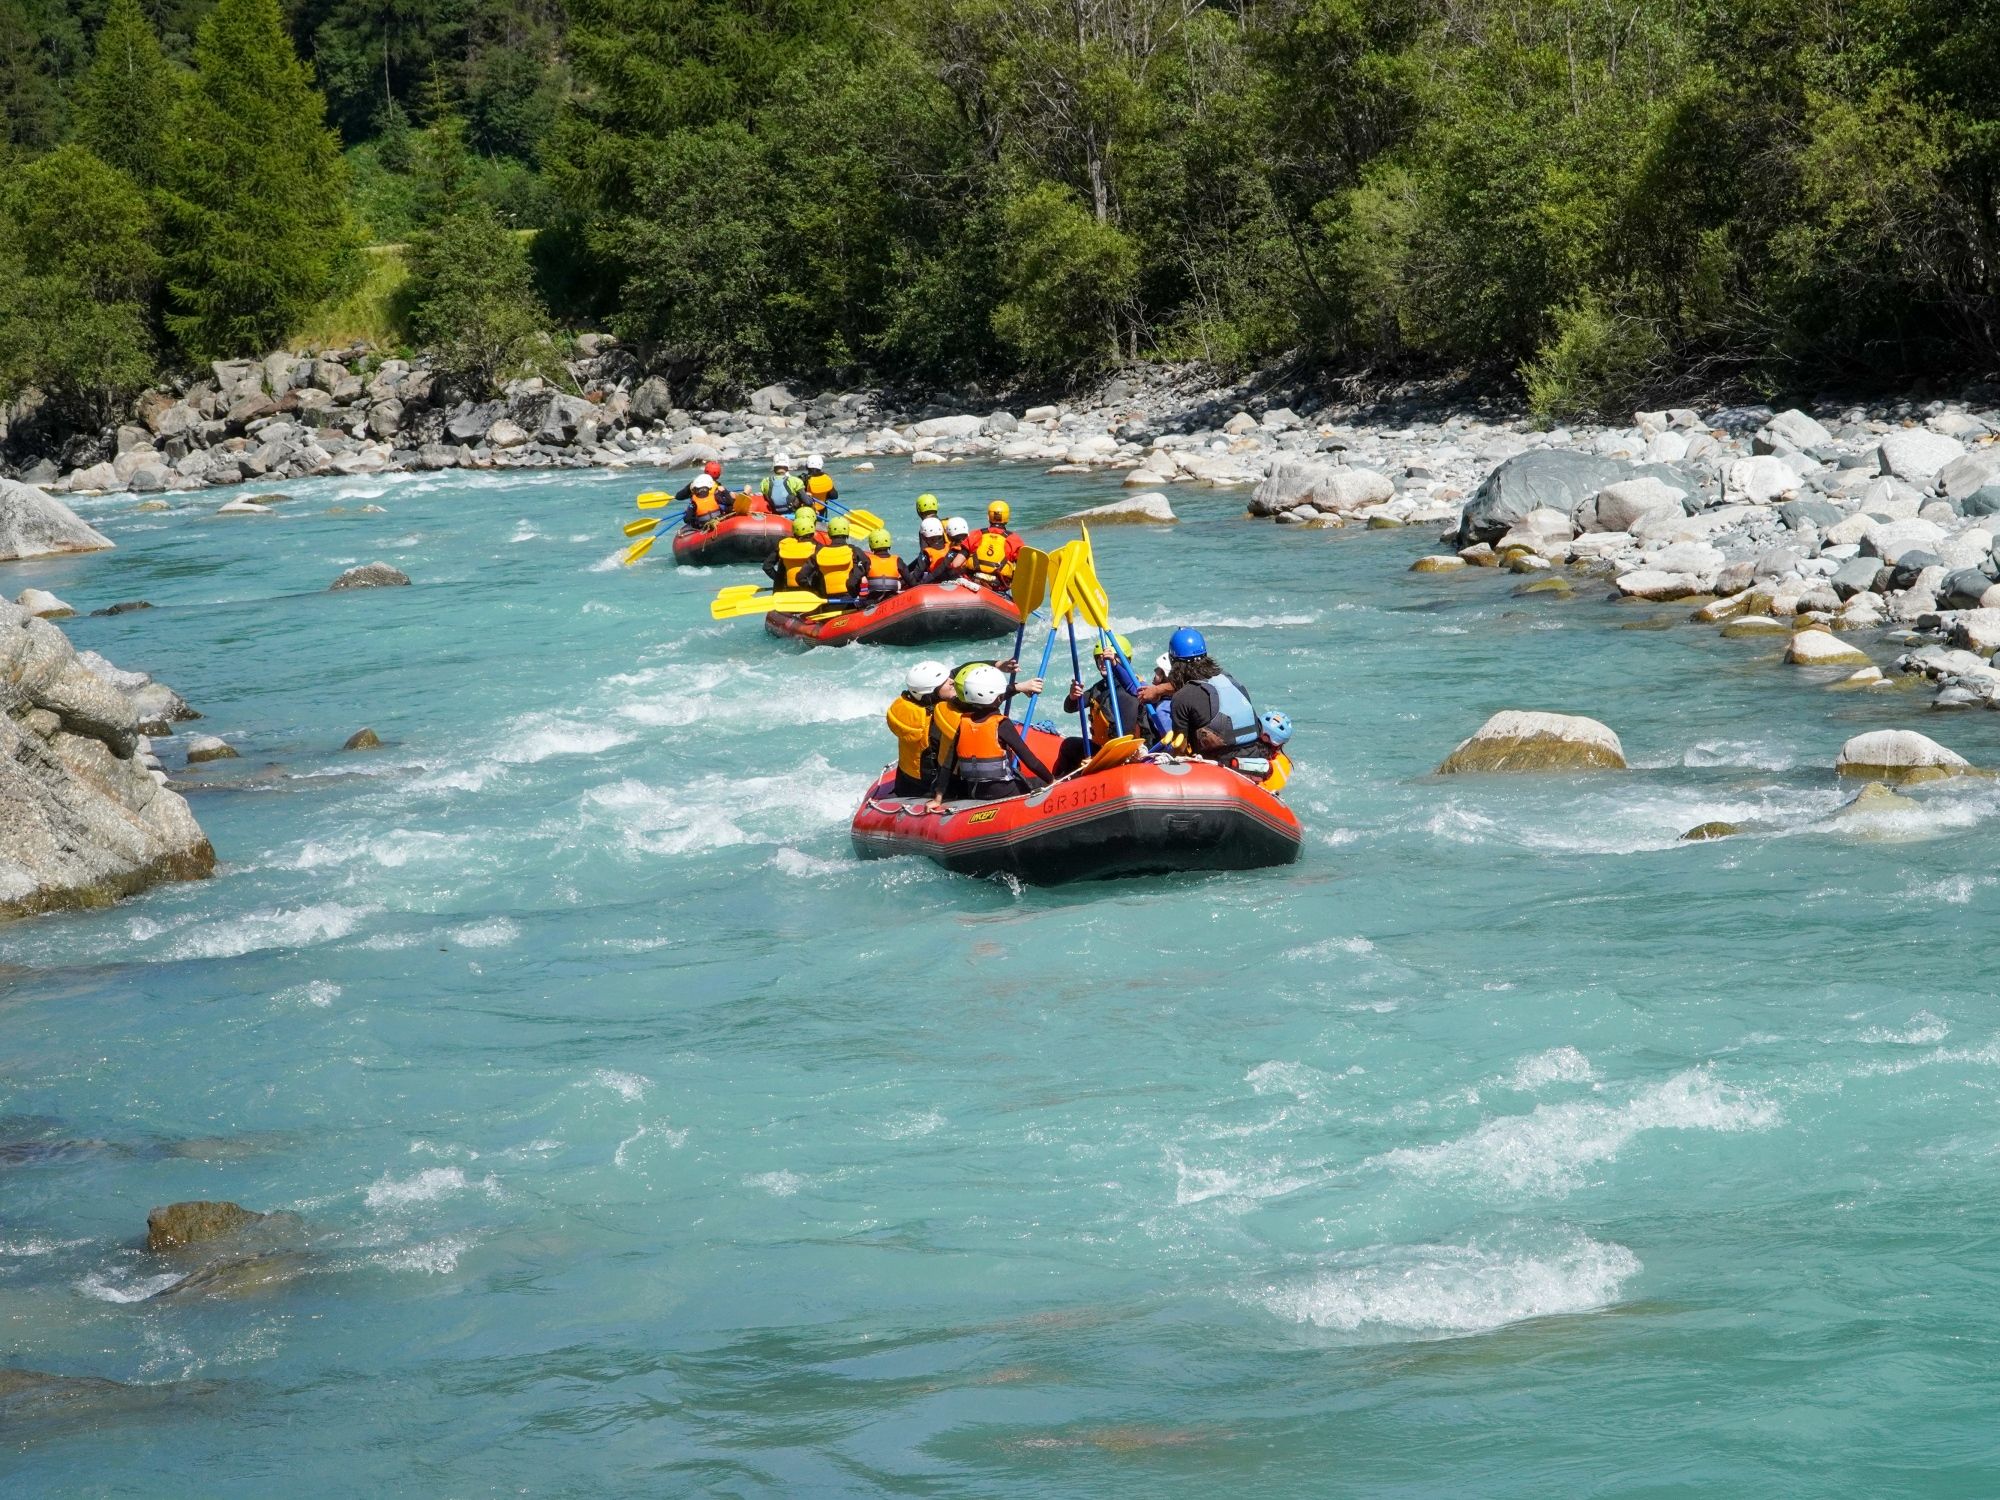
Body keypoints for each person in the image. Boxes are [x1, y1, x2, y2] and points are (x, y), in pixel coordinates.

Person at [930, 664, 1053, 805]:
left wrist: (938, 798)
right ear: (1000, 697)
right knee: (1040, 782)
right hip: (1004, 791)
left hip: (974, 792)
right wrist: (1052, 780)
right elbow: (1031, 761)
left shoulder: (963, 723)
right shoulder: (1001, 724)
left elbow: (948, 765)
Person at [1152, 627, 1263, 763]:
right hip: (1257, 756)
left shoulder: (1182, 697)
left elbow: (1179, 750)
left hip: (1222, 764)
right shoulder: (1230, 680)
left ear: (1173, 662)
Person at [1053, 634, 1147, 775]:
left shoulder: (1130, 692)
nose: (1102, 662)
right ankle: (1055, 784)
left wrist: (1097, 762)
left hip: (1125, 755)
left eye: (1107, 658)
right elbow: (1070, 708)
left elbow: (1126, 739)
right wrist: (1073, 697)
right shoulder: (1100, 688)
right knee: (1069, 745)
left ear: (1124, 660)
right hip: (1103, 748)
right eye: (1099, 659)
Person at [887, 660, 950, 796]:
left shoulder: (907, 707)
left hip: (905, 783)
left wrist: (996, 664)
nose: (952, 682)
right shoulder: (940, 719)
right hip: (931, 788)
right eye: (946, 681)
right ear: (931, 692)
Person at [799, 515, 863, 605]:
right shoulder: (855, 551)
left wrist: (814, 591)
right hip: (850, 601)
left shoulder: (819, 553)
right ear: (847, 533)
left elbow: (800, 577)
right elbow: (867, 566)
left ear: (829, 534)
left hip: (826, 601)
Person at [965, 500, 1022, 592]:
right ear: (1007, 517)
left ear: (988, 517)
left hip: (973, 581)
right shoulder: (1014, 539)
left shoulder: (976, 534)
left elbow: (957, 563)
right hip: (998, 586)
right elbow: (1022, 569)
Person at [765, 509, 820, 589]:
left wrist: (780, 580)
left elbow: (767, 566)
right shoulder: (819, 547)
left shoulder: (784, 545)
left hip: (785, 589)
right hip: (810, 592)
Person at [859, 528, 908, 602]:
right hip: (892, 599)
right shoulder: (897, 560)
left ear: (871, 544)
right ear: (889, 543)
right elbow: (911, 581)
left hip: (873, 600)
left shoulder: (867, 561)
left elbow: (855, 580)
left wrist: (855, 593)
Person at [910, 516, 957, 582]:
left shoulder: (926, 553)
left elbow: (916, 574)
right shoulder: (952, 548)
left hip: (935, 582)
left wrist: (901, 582)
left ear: (923, 537)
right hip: (952, 579)